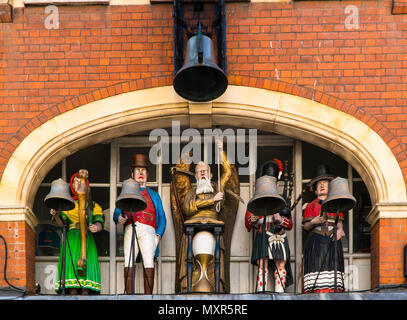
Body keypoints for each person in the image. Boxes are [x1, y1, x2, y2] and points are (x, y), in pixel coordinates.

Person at [113, 154, 166, 294]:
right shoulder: (127, 192)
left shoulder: (154, 195)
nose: (140, 173)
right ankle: (129, 294)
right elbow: (116, 213)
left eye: (143, 170)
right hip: (131, 228)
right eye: (137, 170)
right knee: (128, 260)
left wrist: (158, 235)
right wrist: (119, 217)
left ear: (147, 174)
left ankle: (149, 295)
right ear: (132, 174)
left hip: (149, 231)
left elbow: (162, 218)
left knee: (149, 260)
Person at [50, 170, 104, 295]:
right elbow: (62, 225)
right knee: (72, 277)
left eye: (80, 182)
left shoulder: (94, 205)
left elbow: (99, 222)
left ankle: (85, 292)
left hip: (87, 239)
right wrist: (56, 216)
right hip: (72, 239)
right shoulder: (67, 205)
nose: (78, 184)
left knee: (86, 280)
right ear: (71, 185)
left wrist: (96, 227)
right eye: (75, 182)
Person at [245, 159, 294, 292]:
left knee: (281, 263)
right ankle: (262, 290)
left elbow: (289, 225)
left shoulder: (282, 200)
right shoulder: (256, 199)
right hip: (263, 231)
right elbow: (248, 223)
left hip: (278, 234)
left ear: (277, 184)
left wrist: (280, 219)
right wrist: (252, 219)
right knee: (263, 263)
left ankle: (280, 291)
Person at [302, 164, 345, 293]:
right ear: (315, 190)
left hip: (332, 241)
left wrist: (339, 231)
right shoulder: (310, 205)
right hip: (316, 241)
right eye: (319, 184)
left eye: (325, 183)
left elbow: (339, 224)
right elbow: (306, 226)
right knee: (317, 268)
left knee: (332, 272)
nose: (322, 185)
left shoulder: (336, 204)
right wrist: (314, 221)